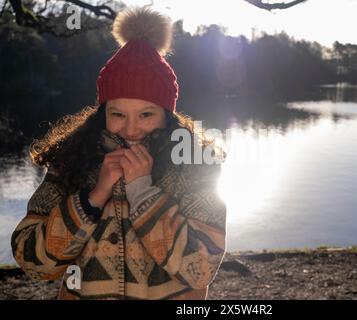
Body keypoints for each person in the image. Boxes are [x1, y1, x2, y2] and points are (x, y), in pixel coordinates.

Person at [11, 6, 227, 300]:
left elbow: (201, 269)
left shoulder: (194, 164)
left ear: (167, 115)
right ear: (103, 113)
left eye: (146, 114)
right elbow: (32, 263)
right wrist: (92, 199)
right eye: (118, 114)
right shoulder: (73, 160)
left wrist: (142, 192)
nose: (131, 129)